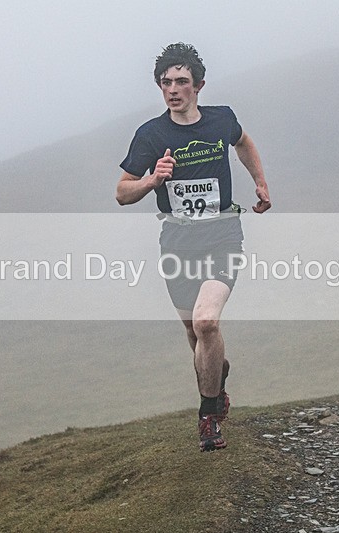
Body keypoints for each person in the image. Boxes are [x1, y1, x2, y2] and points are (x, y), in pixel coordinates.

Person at [116, 43, 271, 450]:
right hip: (177, 239)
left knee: (206, 322)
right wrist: (152, 181)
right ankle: (216, 377)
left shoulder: (222, 119)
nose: (173, 89)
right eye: (165, 82)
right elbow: (121, 193)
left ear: (198, 85)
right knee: (194, 332)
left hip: (222, 233)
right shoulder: (151, 135)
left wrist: (260, 182)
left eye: (181, 81)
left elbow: (244, 143)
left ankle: (208, 415)